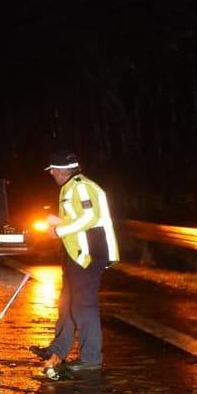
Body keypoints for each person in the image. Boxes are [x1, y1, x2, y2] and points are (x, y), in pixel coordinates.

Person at [32, 150, 118, 373]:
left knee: (83, 306)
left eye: (52, 170)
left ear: (61, 171)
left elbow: (91, 217)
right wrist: (57, 221)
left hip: (89, 255)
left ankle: (90, 359)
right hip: (76, 253)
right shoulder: (71, 187)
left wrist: (59, 229)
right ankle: (58, 350)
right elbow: (79, 219)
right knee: (66, 303)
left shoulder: (80, 186)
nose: (51, 174)